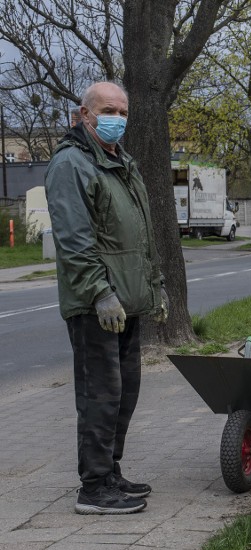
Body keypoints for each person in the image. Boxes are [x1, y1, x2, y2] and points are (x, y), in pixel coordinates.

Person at [45, 81, 168, 515]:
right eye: (107, 110)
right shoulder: (71, 164)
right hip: (95, 305)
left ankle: (110, 470)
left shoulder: (121, 162)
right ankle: (93, 487)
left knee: (124, 393)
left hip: (127, 303)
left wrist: (156, 287)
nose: (117, 117)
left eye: (122, 110)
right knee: (100, 395)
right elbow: (75, 241)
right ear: (84, 114)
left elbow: (141, 238)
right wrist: (100, 294)